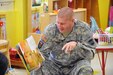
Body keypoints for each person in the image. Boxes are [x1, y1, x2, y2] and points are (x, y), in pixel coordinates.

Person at [35, 7, 97, 75]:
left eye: (62, 24)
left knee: (86, 69)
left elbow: (91, 53)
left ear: (72, 21)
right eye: (58, 22)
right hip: (55, 66)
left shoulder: (84, 29)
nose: (59, 26)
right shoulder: (50, 30)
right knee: (36, 68)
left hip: (75, 65)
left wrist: (77, 46)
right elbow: (41, 51)